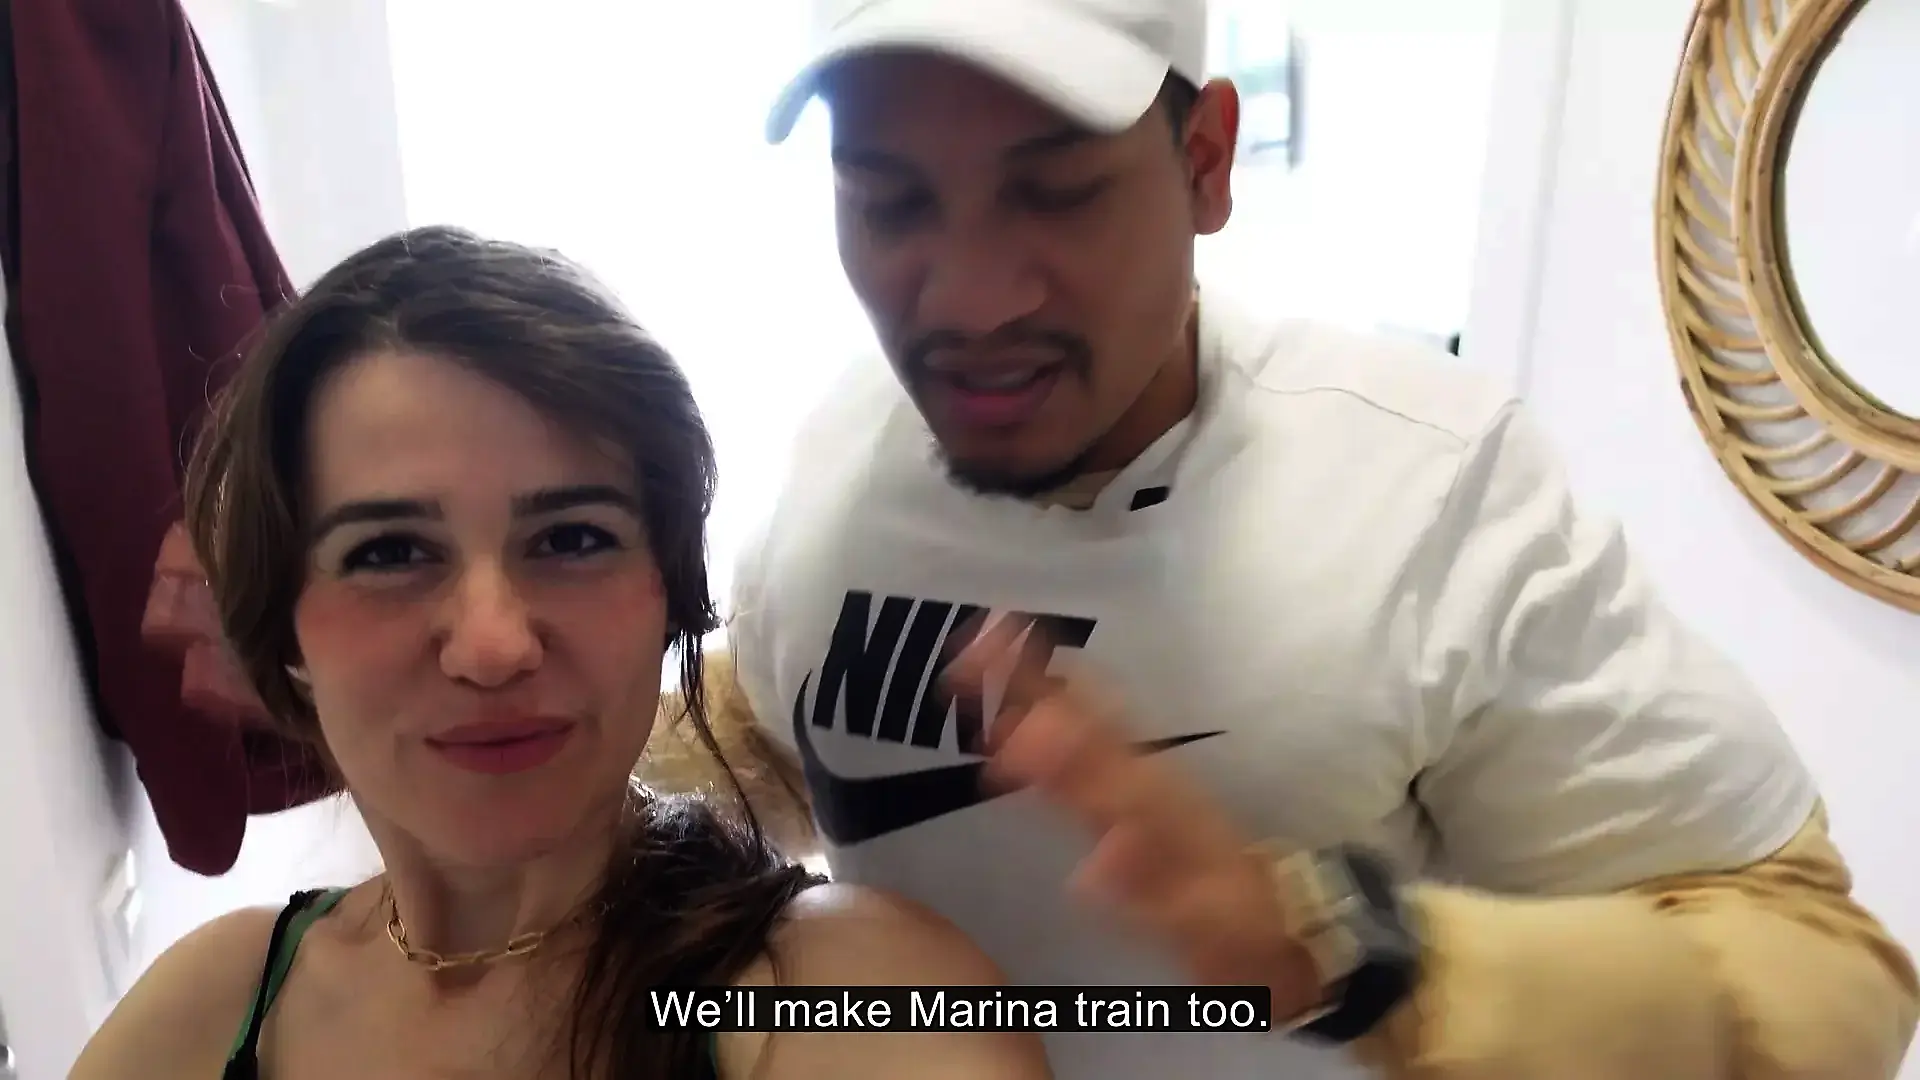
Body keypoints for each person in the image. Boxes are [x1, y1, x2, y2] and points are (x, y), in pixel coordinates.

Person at [665, 1, 1920, 1077]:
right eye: (891, 202)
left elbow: (1827, 982)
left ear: (1207, 162)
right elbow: (770, 731)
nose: (969, 299)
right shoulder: (847, 448)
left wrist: (1348, 951)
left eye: (1057, 194)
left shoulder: (1427, 494)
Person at [69, 226, 1053, 1080]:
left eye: (573, 539)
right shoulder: (209, 1009)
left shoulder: (853, 1010)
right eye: (390, 553)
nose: (494, 647)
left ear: (670, 596)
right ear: (283, 631)